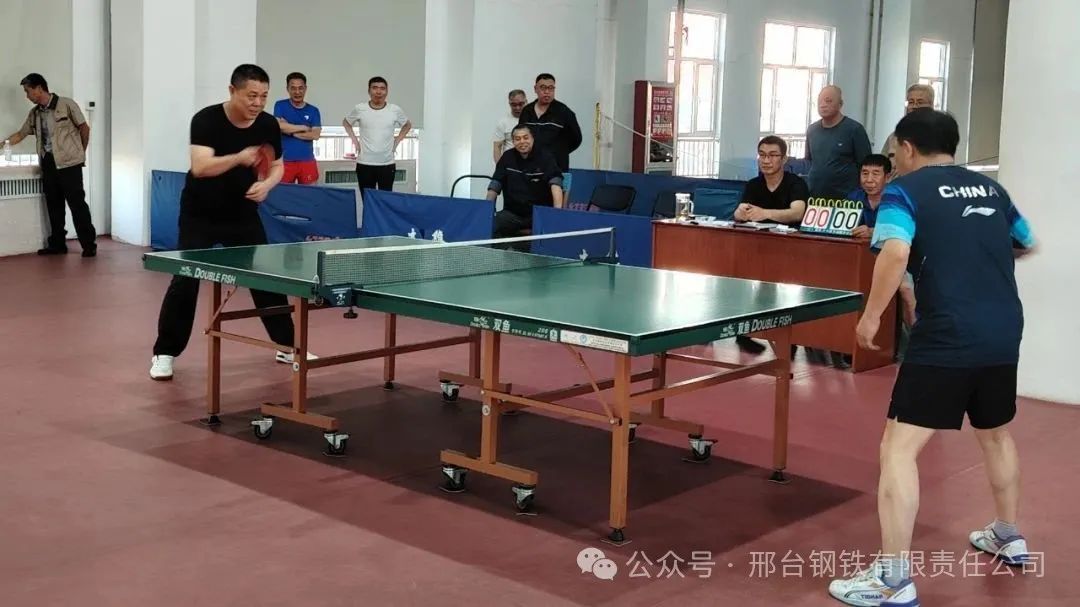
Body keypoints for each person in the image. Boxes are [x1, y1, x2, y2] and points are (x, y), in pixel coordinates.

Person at [828, 109, 1036, 606]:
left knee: (898, 449)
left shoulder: (904, 191)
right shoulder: (992, 190)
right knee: (995, 433)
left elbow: (895, 252)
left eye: (895, 151)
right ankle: (1007, 534)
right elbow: (1025, 242)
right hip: (1003, 329)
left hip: (947, 334)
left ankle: (892, 580)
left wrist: (871, 316)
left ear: (907, 148)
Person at [149, 64, 312, 381]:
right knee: (185, 280)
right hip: (200, 214)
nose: (258, 102)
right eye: (251, 95)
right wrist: (239, 157)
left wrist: (267, 185)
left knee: (265, 278)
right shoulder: (206, 119)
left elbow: (277, 165)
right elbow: (200, 167)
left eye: (263, 96)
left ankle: (287, 345)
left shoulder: (268, 123)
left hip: (242, 213)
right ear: (232, 91)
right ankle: (164, 353)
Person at [3, 73, 97, 256]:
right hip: (49, 163)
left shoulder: (66, 105)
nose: (27, 96)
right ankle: (58, 244)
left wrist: (80, 153)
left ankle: (88, 244)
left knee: (77, 204)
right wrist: (2, 145)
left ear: (39, 88)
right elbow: (21, 134)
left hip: (69, 164)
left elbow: (84, 128)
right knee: (54, 205)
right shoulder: (35, 113)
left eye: (28, 91)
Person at [486, 125, 563, 241]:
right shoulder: (507, 157)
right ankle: (502, 252)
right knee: (490, 226)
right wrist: (486, 211)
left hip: (538, 214)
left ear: (532, 138)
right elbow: (495, 185)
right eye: (517, 139)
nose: (522, 142)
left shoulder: (546, 157)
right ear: (513, 142)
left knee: (549, 233)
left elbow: (556, 184)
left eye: (526, 137)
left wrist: (556, 213)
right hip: (512, 214)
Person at [343, 76, 411, 195]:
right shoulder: (360, 108)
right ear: (369, 91)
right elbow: (346, 123)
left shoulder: (394, 110)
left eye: (382, 88)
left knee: (385, 199)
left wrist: (396, 142)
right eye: (375, 88)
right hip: (365, 163)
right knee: (368, 199)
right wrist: (355, 142)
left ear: (387, 91)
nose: (378, 91)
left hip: (387, 164)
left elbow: (407, 125)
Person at [805, 85, 872, 201]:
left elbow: (866, 164)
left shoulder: (854, 129)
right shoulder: (812, 130)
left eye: (828, 101)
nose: (823, 105)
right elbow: (810, 160)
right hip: (816, 197)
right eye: (820, 101)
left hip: (846, 199)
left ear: (840, 104)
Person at [518, 73, 582, 195]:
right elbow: (520, 135)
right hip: (530, 167)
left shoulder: (564, 112)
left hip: (556, 169)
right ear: (535, 89)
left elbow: (577, 138)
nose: (547, 92)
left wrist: (559, 152)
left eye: (551, 88)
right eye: (543, 87)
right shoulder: (527, 111)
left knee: (554, 203)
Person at [735, 135, 809, 226]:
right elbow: (739, 213)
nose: (766, 161)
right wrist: (740, 213)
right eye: (762, 155)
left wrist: (765, 213)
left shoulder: (796, 183)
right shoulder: (753, 184)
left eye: (773, 155)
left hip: (788, 234)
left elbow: (797, 214)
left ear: (784, 159)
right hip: (757, 233)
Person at [273, 71, 322, 185]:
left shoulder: (313, 110)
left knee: (310, 194)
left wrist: (289, 130)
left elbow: (315, 135)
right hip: (285, 161)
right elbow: (278, 126)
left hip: (307, 161)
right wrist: (303, 127)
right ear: (288, 89)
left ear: (305, 89)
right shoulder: (280, 105)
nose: (297, 92)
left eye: (300, 88)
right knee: (282, 194)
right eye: (293, 88)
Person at [882, 83, 935, 165]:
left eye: (920, 102)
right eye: (911, 102)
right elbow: (882, 166)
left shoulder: (938, 136)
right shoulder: (894, 137)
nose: (914, 106)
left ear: (931, 106)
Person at [493, 89, 527, 165]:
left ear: (526, 102)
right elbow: (497, 147)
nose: (517, 108)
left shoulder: (533, 120)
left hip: (530, 164)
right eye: (514, 104)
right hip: (510, 164)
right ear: (509, 103)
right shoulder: (503, 122)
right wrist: (500, 168)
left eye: (521, 104)